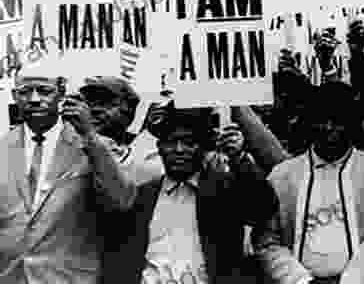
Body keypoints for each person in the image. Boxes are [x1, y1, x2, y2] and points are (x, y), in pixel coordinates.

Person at [101, 105, 278, 284]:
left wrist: (239, 159)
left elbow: (263, 209)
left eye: (188, 142)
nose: (179, 150)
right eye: (171, 142)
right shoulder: (142, 197)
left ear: (202, 147)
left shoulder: (224, 191)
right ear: (159, 147)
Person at [0, 61, 136, 283]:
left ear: (61, 93)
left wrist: (90, 137)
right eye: (25, 92)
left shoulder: (94, 145)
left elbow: (122, 200)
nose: (34, 99)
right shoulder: (2, 148)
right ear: (14, 96)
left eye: (44, 91)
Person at [253, 81, 364, 284]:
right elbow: (267, 242)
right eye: (321, 120)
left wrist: (351, 280)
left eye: (338, 120)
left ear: (352, 123)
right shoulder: (281, 176)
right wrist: (300, 281)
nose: (329, 128)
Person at [79, 76, 164, 184]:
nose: (95, 109)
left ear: (128, 111)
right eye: (90, 103)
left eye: (106, 103)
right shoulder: (72, 148)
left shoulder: (149, 156)